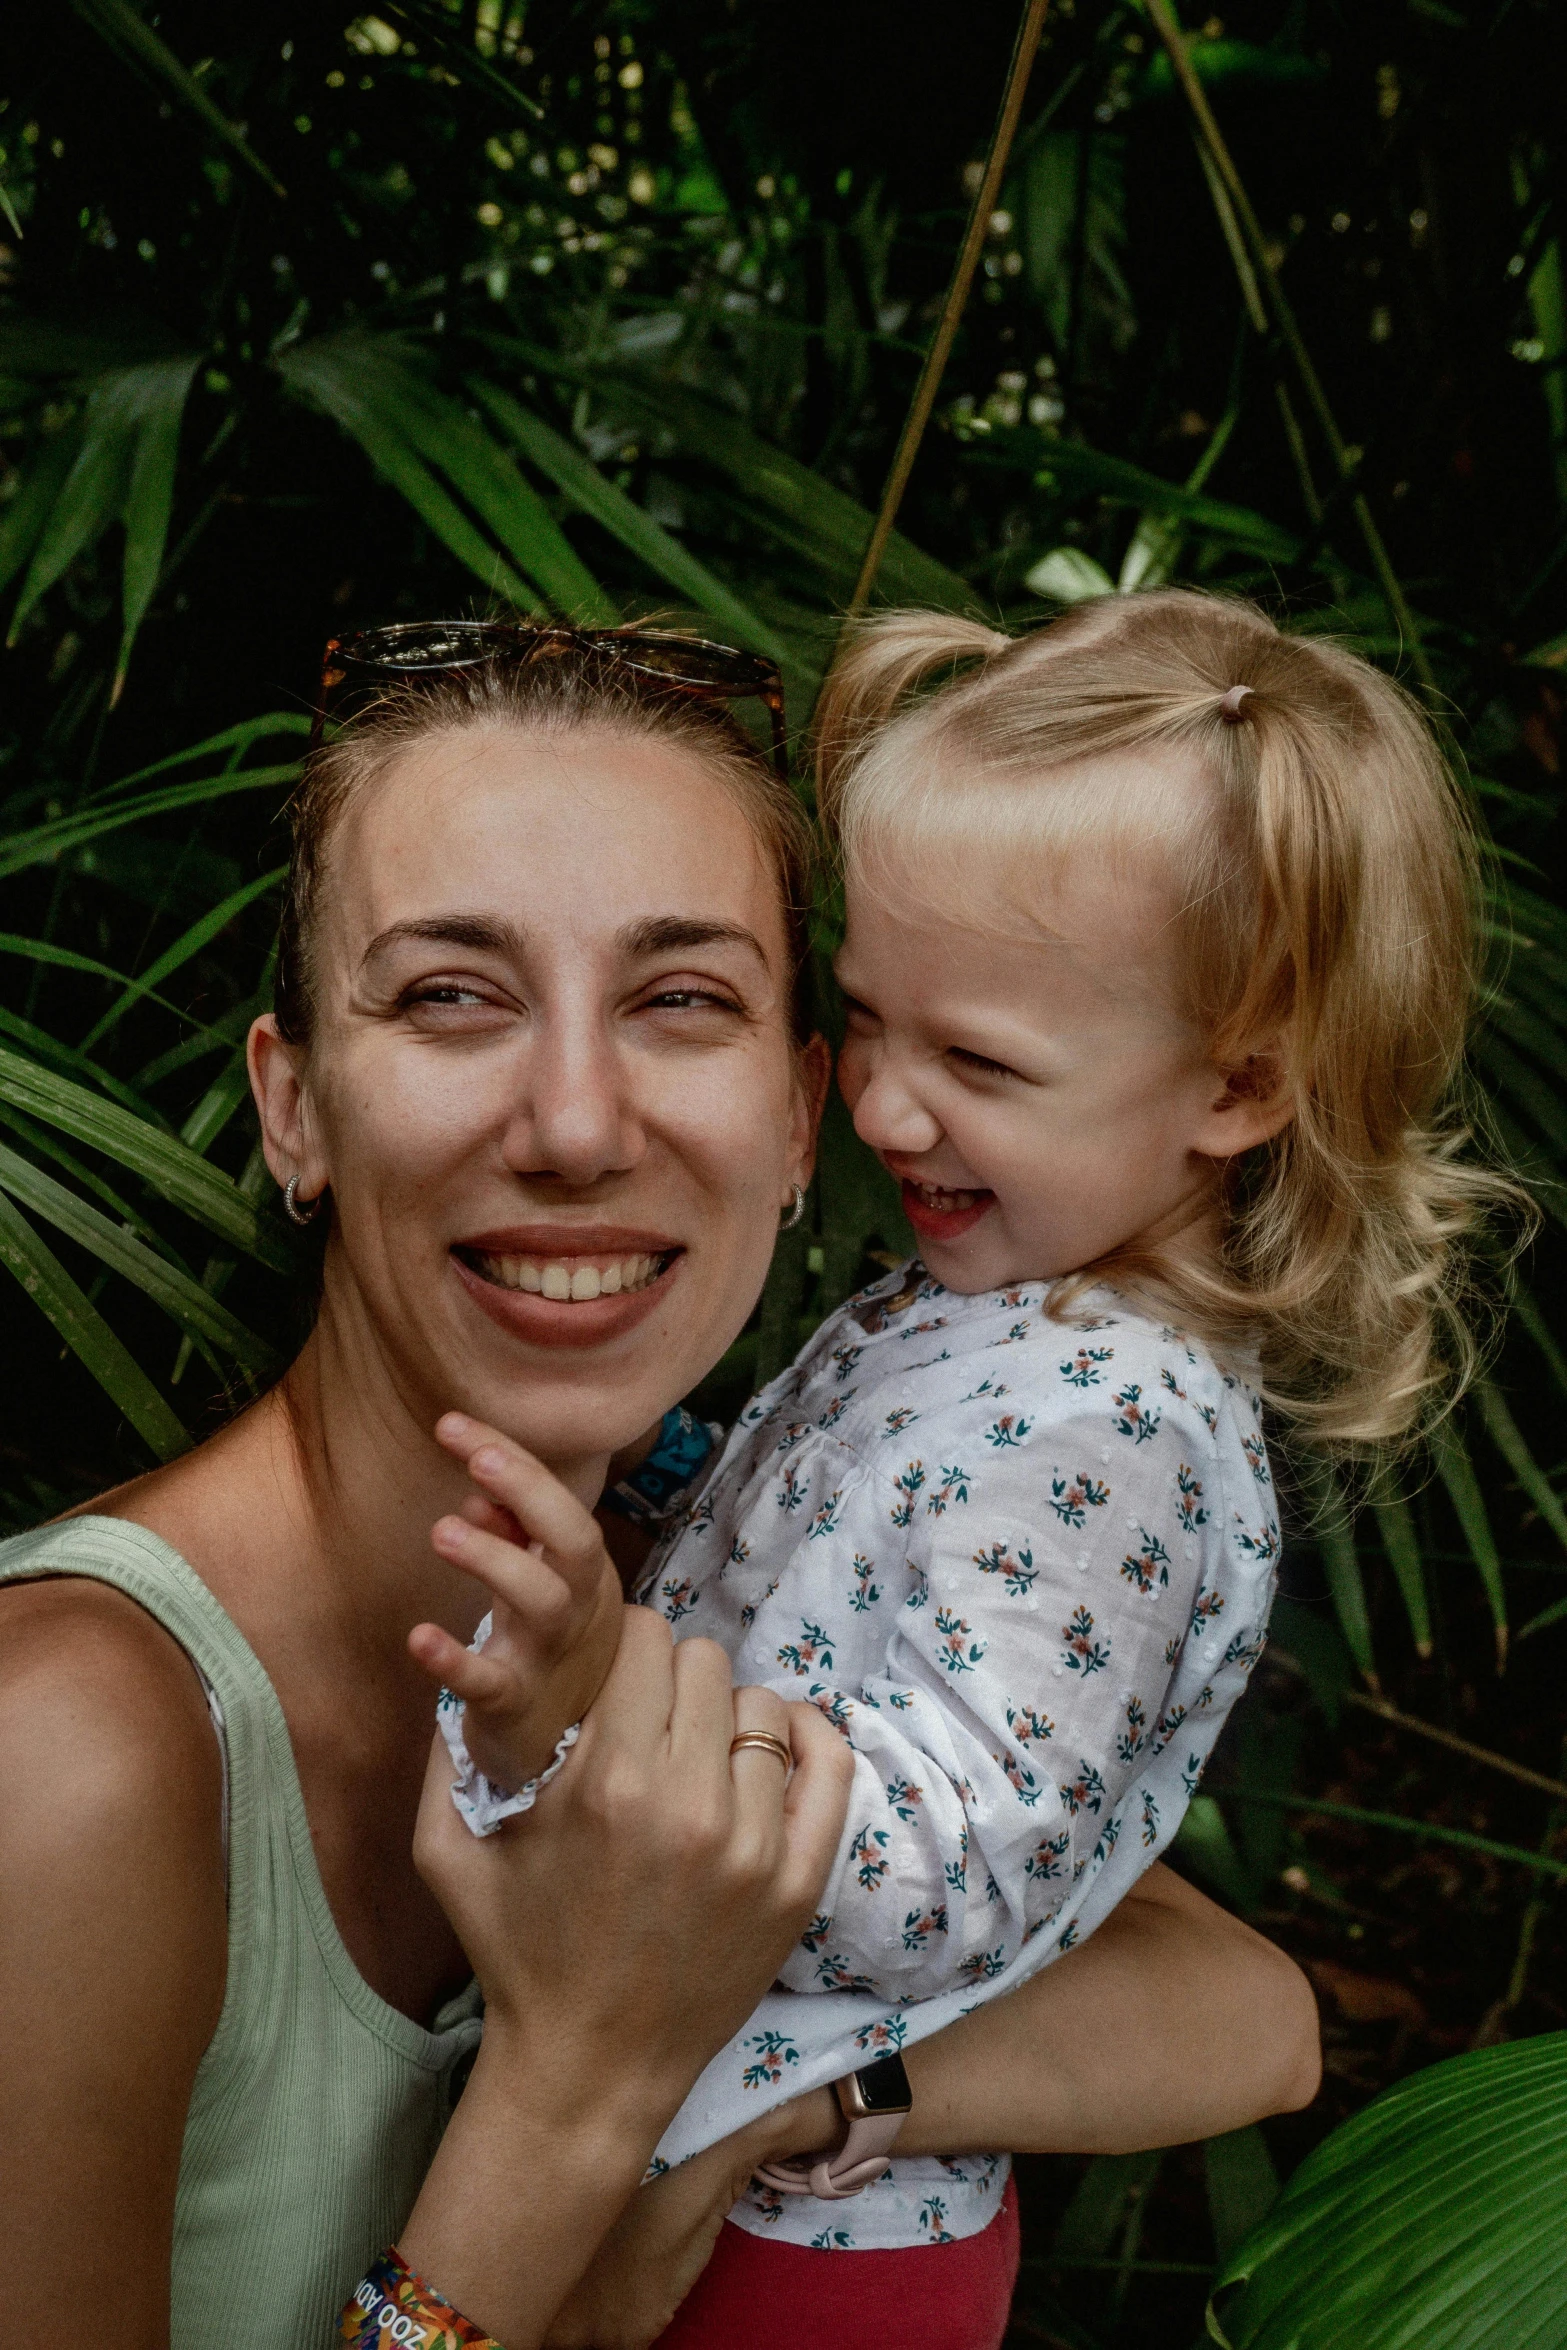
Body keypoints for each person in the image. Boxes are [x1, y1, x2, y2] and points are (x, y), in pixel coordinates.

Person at [0, 623, 1320, 2350]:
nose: (573, 1120)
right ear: (295, 1106)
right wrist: (570, 2107)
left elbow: (1244, 2008)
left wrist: (800, 2100)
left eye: (678, 998)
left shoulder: (697, 1570)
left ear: (795, 1120)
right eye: (452, 993)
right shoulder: (71, 1752)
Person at [427, 594, 1515, 2340]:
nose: (880, 1107)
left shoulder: (1109, 1430)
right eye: (869, 1019)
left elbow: (948, 1876)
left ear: (1234, 1087)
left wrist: (607, 1686)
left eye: (978, 1062)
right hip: (731, 2183)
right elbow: (852, 1547)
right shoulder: (1012, 1310)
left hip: (801, 2253)